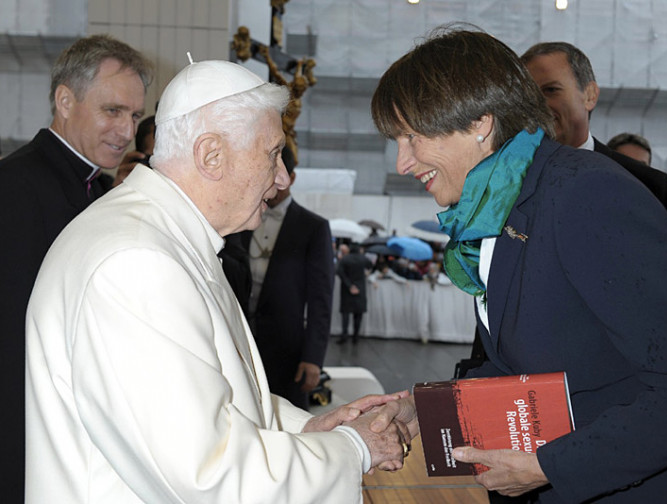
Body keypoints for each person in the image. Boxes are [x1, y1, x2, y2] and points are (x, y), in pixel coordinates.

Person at [25, 58, 418, 504]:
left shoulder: (167, 239)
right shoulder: (134, 262)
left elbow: (223, 398)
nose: (282, 178)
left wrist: (312, 426)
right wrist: (353, 447)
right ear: (211, 155)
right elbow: (208, 474)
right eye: (272, 154)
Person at [371, 24, 667, 503]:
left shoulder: (585, 194)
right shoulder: (503, 205)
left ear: (480, 122)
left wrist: (549, 466)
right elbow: (523, 365)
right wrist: (428, 409)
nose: (402, 162)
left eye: (412, 137)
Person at [0, 34, 153, 503]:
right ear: (65, 100)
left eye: (134, 116)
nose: (127, 131)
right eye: (113, 111)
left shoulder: (98, 189)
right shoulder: (12, 187)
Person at [520, 41, 667, 233]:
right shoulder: (505, 180)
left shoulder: (648, 185)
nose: (538, 105)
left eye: (551, 90)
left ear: (590, 95)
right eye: (528, 96)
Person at [240, 144, 335, 409]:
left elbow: (321, 299)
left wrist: (313, 358)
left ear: (291, 178)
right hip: (240, 341)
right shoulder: (241, 216)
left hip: (287, 348)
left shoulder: (313, 227)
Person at [336, 242, 372, 344]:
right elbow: (370, 266)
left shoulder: (345, 259)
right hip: (360, 290)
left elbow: (339, 272)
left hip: (347, 290)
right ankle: (355, 337)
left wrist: (349, 285)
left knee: (345, 315)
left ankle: (344, 336)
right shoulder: (363, 259)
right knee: (358, 315)